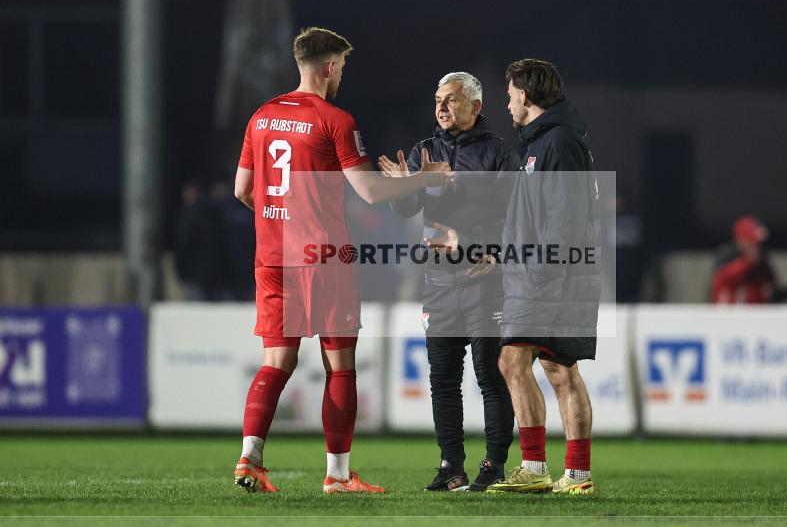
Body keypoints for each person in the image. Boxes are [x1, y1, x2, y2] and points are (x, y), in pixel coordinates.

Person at [232, 27, 451, 494]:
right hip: (324, 258)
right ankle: (336, 475)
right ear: (330, 66)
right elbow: (370, 191)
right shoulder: (335, 119)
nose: (342, 76)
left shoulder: (261, 116)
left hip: (273, 258)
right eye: (343, 67)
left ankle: (250, 459)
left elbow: (243, 190)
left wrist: (283, 219)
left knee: (276, 361)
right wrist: (422, 179)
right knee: (340, 364)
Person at [379, 72, 518, 492]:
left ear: (476, 107)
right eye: (438, 99)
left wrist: (481, 246)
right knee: (443, 377)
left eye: (452, 99)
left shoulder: (498, 153)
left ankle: (493, 465)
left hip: (484, 278)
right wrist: (403, 189)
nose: (441, 107)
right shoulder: (425, 151)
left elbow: (518, 214)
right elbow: (406, 210)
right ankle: (450, 467)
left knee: (489, 375)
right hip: (438, 281)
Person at [486, 59, 601, 496]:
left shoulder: (557, 142)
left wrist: (537, 268)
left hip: (551, 275)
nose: (508, 101)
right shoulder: (545, 142)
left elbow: (565, 219)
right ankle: (570, 473)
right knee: (558, 368)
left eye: (511, 93)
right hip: (548, 273)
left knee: (514, 361)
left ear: (527, 96)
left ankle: (541, 469)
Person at [711, 216, 777, 304]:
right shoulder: (726, 258)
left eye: (757, 243)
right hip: (730, 315)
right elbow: (726, 279)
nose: (756, 247)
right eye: (751, 241)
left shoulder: (763, 264)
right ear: (740, 240)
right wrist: (748, 262)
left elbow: (770, 292)